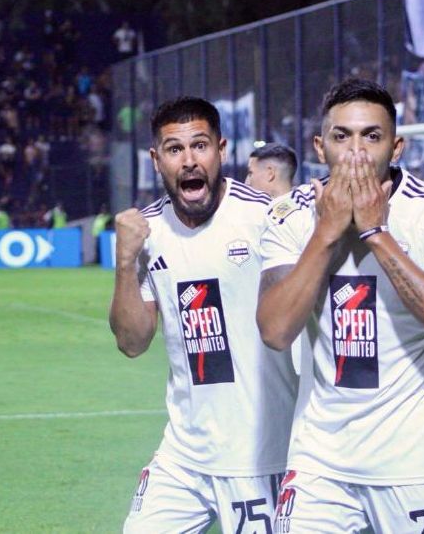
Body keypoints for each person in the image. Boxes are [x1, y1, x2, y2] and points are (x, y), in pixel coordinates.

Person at [257, 78, 424, 533]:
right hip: (320, 460)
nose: (356, 152)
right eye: (342, 136)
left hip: (417, 463)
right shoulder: (291, 214)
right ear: (320, 147)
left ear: (396, 149)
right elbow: (275, 330)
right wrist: (326, 233)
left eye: (372, 136)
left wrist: (376, 232)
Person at [110, 96, 298, 533]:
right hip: (184, 456)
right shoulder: (148, 232)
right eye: (175, 150)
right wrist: (124, 263)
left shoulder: (263, 218)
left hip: (262, 453)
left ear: (222, 150)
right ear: (157, 160)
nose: (190, 161)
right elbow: (132, 342)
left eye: (200, 146)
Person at [245, 142, 310, 378]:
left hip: (291, 333)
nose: (247, 182)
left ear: (270, 173)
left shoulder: (271, 217)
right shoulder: (310, 209)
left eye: (251, 173)